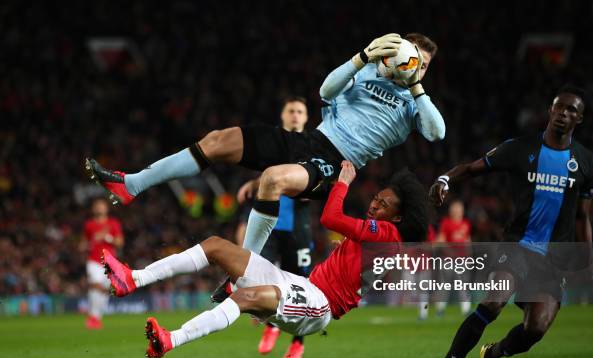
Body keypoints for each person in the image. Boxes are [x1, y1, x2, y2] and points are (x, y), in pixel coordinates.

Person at [85, 32, 444, 257]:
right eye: (413, 58)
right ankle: (131, 184)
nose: (417, 67)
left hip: (336, 164)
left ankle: (243, 270)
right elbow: (325, 91)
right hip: (309, 140)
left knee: (272, 179)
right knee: (217, 140)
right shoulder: (368, 71)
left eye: (424, 65)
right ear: (396, 53)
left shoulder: (416, 104)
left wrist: (415, 85)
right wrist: (362, 57)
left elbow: (436, 133)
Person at [101, 162, 429, 358]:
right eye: (375, 198)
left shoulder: (387, 235)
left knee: (242, 297)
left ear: (397, 217)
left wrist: (343, 181)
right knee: (216, 246)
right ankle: (134, 279)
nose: (374, 205)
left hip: (320, 305)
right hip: (304, 285)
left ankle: (171, 339)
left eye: (383, 204)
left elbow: (330, 217)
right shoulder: (384, 235)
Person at [426, 85, 593, 358]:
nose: (564, 114)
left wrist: (589, 260)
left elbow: (582, 217)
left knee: (535, 330)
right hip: (517, 246)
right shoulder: (521, 149)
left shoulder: (587, 163)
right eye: (559, 107)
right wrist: (444, 179)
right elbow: (472, 168)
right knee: (492, 303)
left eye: (572, 110)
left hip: (553, 260)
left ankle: (492, 354)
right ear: (550, 111)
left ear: (580, 119)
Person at [227, 96, 315, 358]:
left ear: (306, 117)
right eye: (291, 110)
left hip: (298, 228)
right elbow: (270, 176)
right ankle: (271, 323)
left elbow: (310, 188)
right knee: (264, 275)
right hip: (271, 226)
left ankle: (298, 341)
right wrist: (254, 184)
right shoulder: (275, 145)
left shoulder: (312, 147)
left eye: (300, 111)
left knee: (302, 283)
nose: (295, 115)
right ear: (283, 115)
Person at [79, 198, 124, 329]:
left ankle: (96, 318)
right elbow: (82, 244)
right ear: (93, 209)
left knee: (104, 291)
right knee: (95, 284)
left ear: (106, 209)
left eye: (101, 205)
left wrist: (106, 237)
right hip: (93, 260)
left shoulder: (113, 223)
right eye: (96, 205)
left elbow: (120, 242)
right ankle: (93, 316)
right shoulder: (89, 225)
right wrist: (88, 243)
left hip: (109, 262)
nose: (99, 208)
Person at [434, 199, 472, 316]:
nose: (456, 211)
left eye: (459, 209)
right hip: (448, 260)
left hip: (462, 260)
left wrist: (469, 256)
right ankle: (440, 309)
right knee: (445, 285)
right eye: (454, 209)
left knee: (463, 285)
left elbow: (467, 241)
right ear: (451, 211)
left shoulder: (466, 224)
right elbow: (440, 241)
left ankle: (466, 309)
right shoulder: (446, 223)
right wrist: (449, 251)